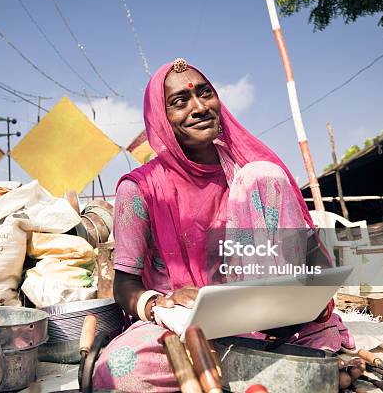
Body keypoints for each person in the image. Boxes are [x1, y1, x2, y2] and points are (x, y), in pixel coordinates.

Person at [93, 59, 355, 392]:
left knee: (265, 175)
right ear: (161, 119)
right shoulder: (139, 189)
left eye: (206, 94)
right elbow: (124, 284)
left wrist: (310, 296)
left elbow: (303, 254)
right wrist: (158, 304)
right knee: (119, 369)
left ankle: (246, 367)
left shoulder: (253, 175)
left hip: (269, 322)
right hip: (184, 327)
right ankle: (271, 370)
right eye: (180, 102)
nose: (200, 107)